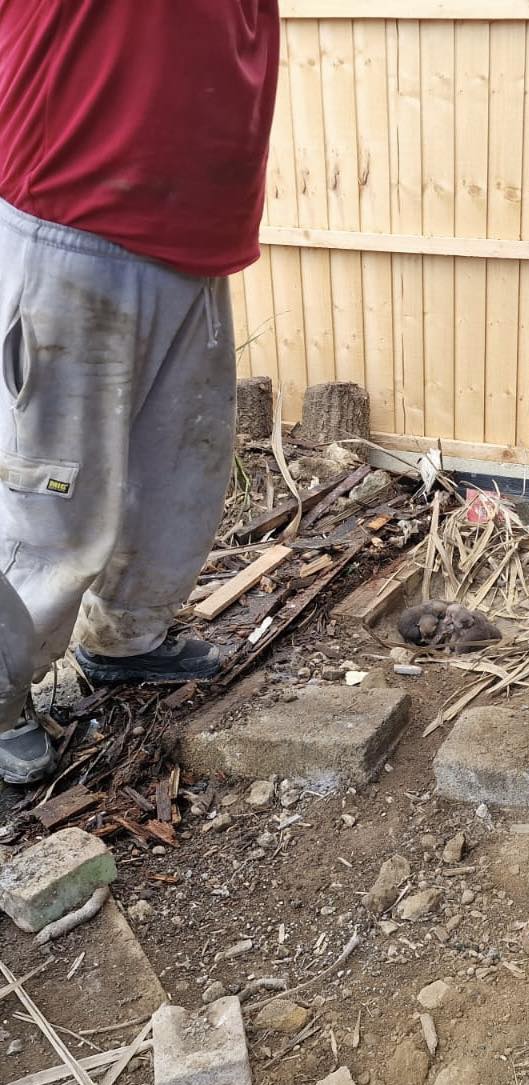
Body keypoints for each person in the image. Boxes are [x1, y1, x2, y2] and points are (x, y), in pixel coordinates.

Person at [0, 3, 280, 783]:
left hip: (195, 241)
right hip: (72, 216)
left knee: (178, 483)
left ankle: (127, 639)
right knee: (51, 504)